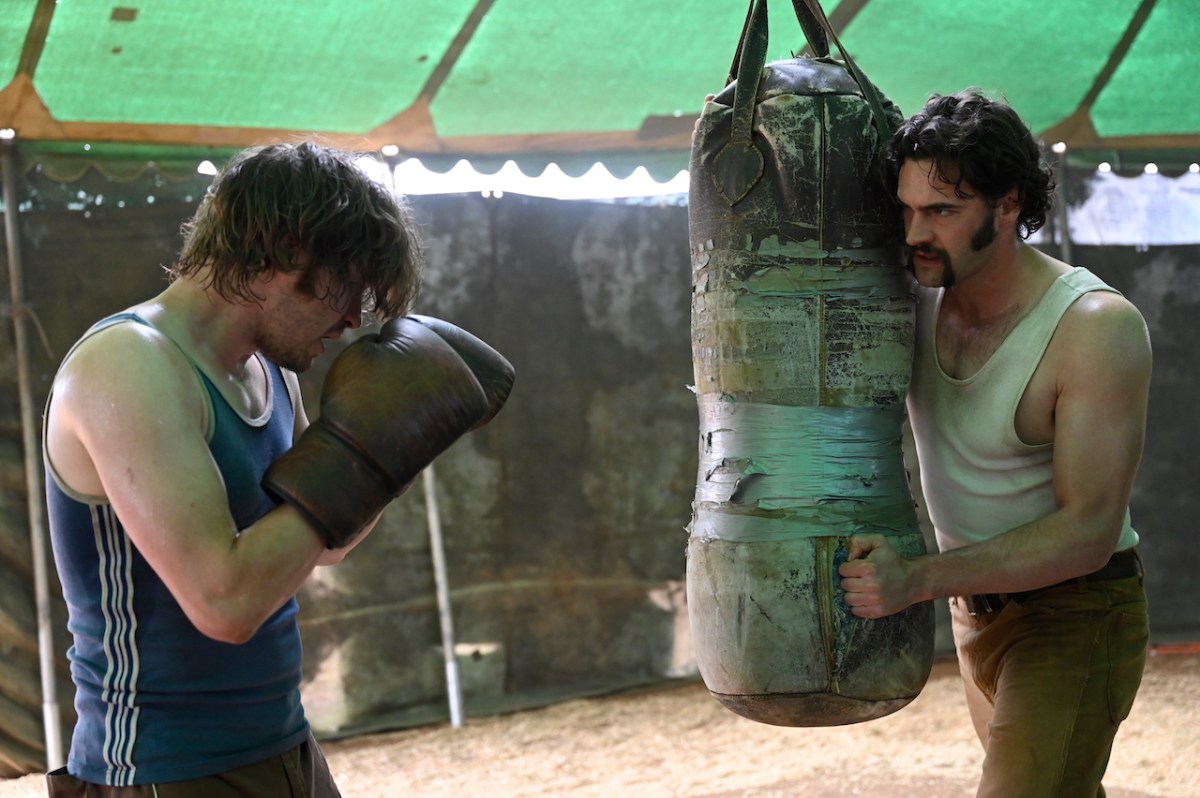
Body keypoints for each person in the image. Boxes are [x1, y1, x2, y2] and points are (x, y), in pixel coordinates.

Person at [42, 142, 513, 796]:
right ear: (289, 254)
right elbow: (225, 601)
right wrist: (355, 454)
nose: (352, 319)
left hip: (282, 740)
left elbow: (323, 548)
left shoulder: (268, 373)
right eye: (346, 288)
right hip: (162, 765)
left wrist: (394, 449)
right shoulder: (128, 365)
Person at [838, 90, 1152, 797]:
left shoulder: (1094, 327)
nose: (915, 231)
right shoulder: (910, 301)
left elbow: (1088, 533)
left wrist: (917, 578)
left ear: (1008, 206)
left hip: (1076, 613)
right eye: (908, 209)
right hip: (972, 610)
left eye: (943, 212)